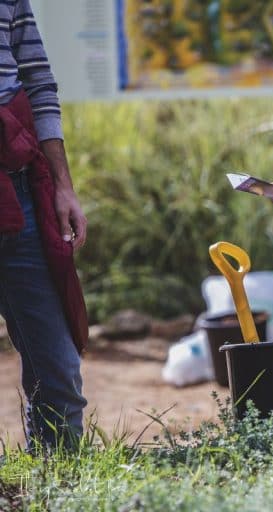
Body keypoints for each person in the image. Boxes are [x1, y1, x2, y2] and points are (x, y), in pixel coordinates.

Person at [0, 0, 89, 449]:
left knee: (57, 364)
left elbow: (37, 82)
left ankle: (61, 486)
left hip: (17, 186)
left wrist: (62, 185)